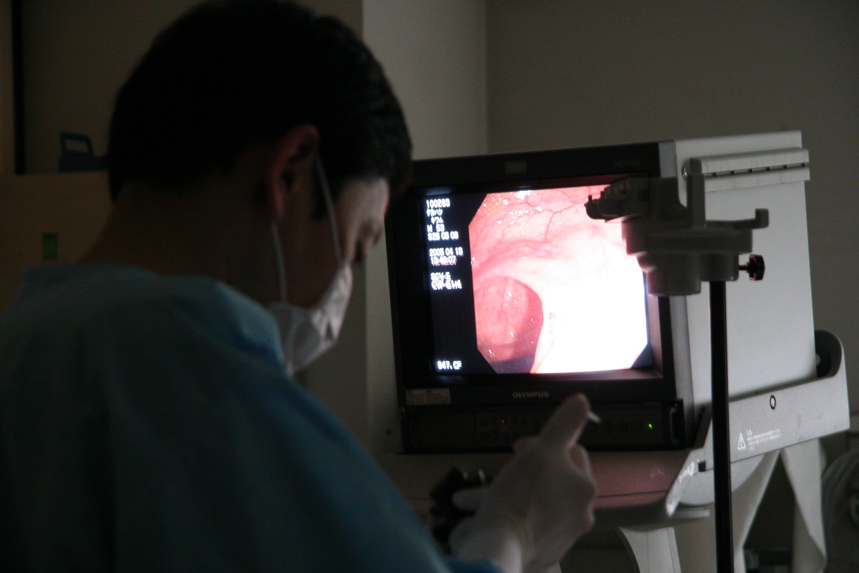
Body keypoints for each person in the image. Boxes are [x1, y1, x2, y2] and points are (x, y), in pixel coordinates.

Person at [0, 1, 596, 571]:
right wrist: (515, 529)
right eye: (357, 245)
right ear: (290, 172)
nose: (341, 288)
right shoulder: (209, 390)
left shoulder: (27, 341)